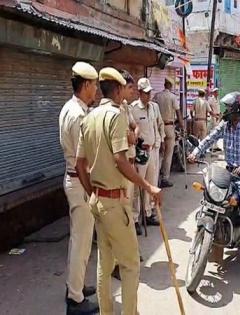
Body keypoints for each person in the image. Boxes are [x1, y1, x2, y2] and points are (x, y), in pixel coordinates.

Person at [75, 67, 161, 315]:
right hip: (113, 202)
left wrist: (93, 191)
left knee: (105, 262)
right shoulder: (115, 116)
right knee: (131, 264)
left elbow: (80, 163)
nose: (128, 91)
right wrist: (148, 186)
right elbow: (120, 160)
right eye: (126, 87)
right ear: (119, 89)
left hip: (99, 201)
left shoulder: (89, 116)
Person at [188, 91, 240, 277]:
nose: (225, 111)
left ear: (237, 109)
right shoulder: (224, 125)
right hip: (227, 171)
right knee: (210, 200)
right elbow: (209, 139)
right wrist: (196, 152)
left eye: (229, 107)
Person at [59, 62, 99, 315]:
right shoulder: (79, 115)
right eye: (94, 84)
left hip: (73, 178)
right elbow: (83, 162)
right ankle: (75, 300)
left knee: (80, 240)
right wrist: (92, 190)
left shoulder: (70, 108)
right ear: (85, 85)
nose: (96, 89)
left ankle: (76, 286)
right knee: (81, 242)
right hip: (79, 181)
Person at [131, 78, 161, 226]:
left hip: (153, 151)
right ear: (139, 92)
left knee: (151, 183)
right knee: (138, 187)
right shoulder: (133, 108)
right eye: (146, 93)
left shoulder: (154, 107)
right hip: (140, 153)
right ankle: (135, 218)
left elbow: (158, 125)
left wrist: (158, 142)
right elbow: (130, 131)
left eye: (150, 93)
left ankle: (148, 213)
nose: (148, 96)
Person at [119, 70, 142, 235]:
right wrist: (130, 137)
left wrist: (135, 133)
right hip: (122, 165)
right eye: (130, 87)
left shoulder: (125, 106)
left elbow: (133, 127)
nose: (132, 91)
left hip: (132, 160)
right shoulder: (114, 111)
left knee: (133, 200)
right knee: (123, 206)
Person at [153, 77, 184, 188]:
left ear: (164, 84)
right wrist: (181, 124)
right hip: (169, 127)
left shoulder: (157, 96)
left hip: (158, 127)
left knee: (160, 154)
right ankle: (165, 178)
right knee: (168, 154)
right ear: (170, 85)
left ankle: (155, 178)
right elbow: (178, 112)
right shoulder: (172, 97)